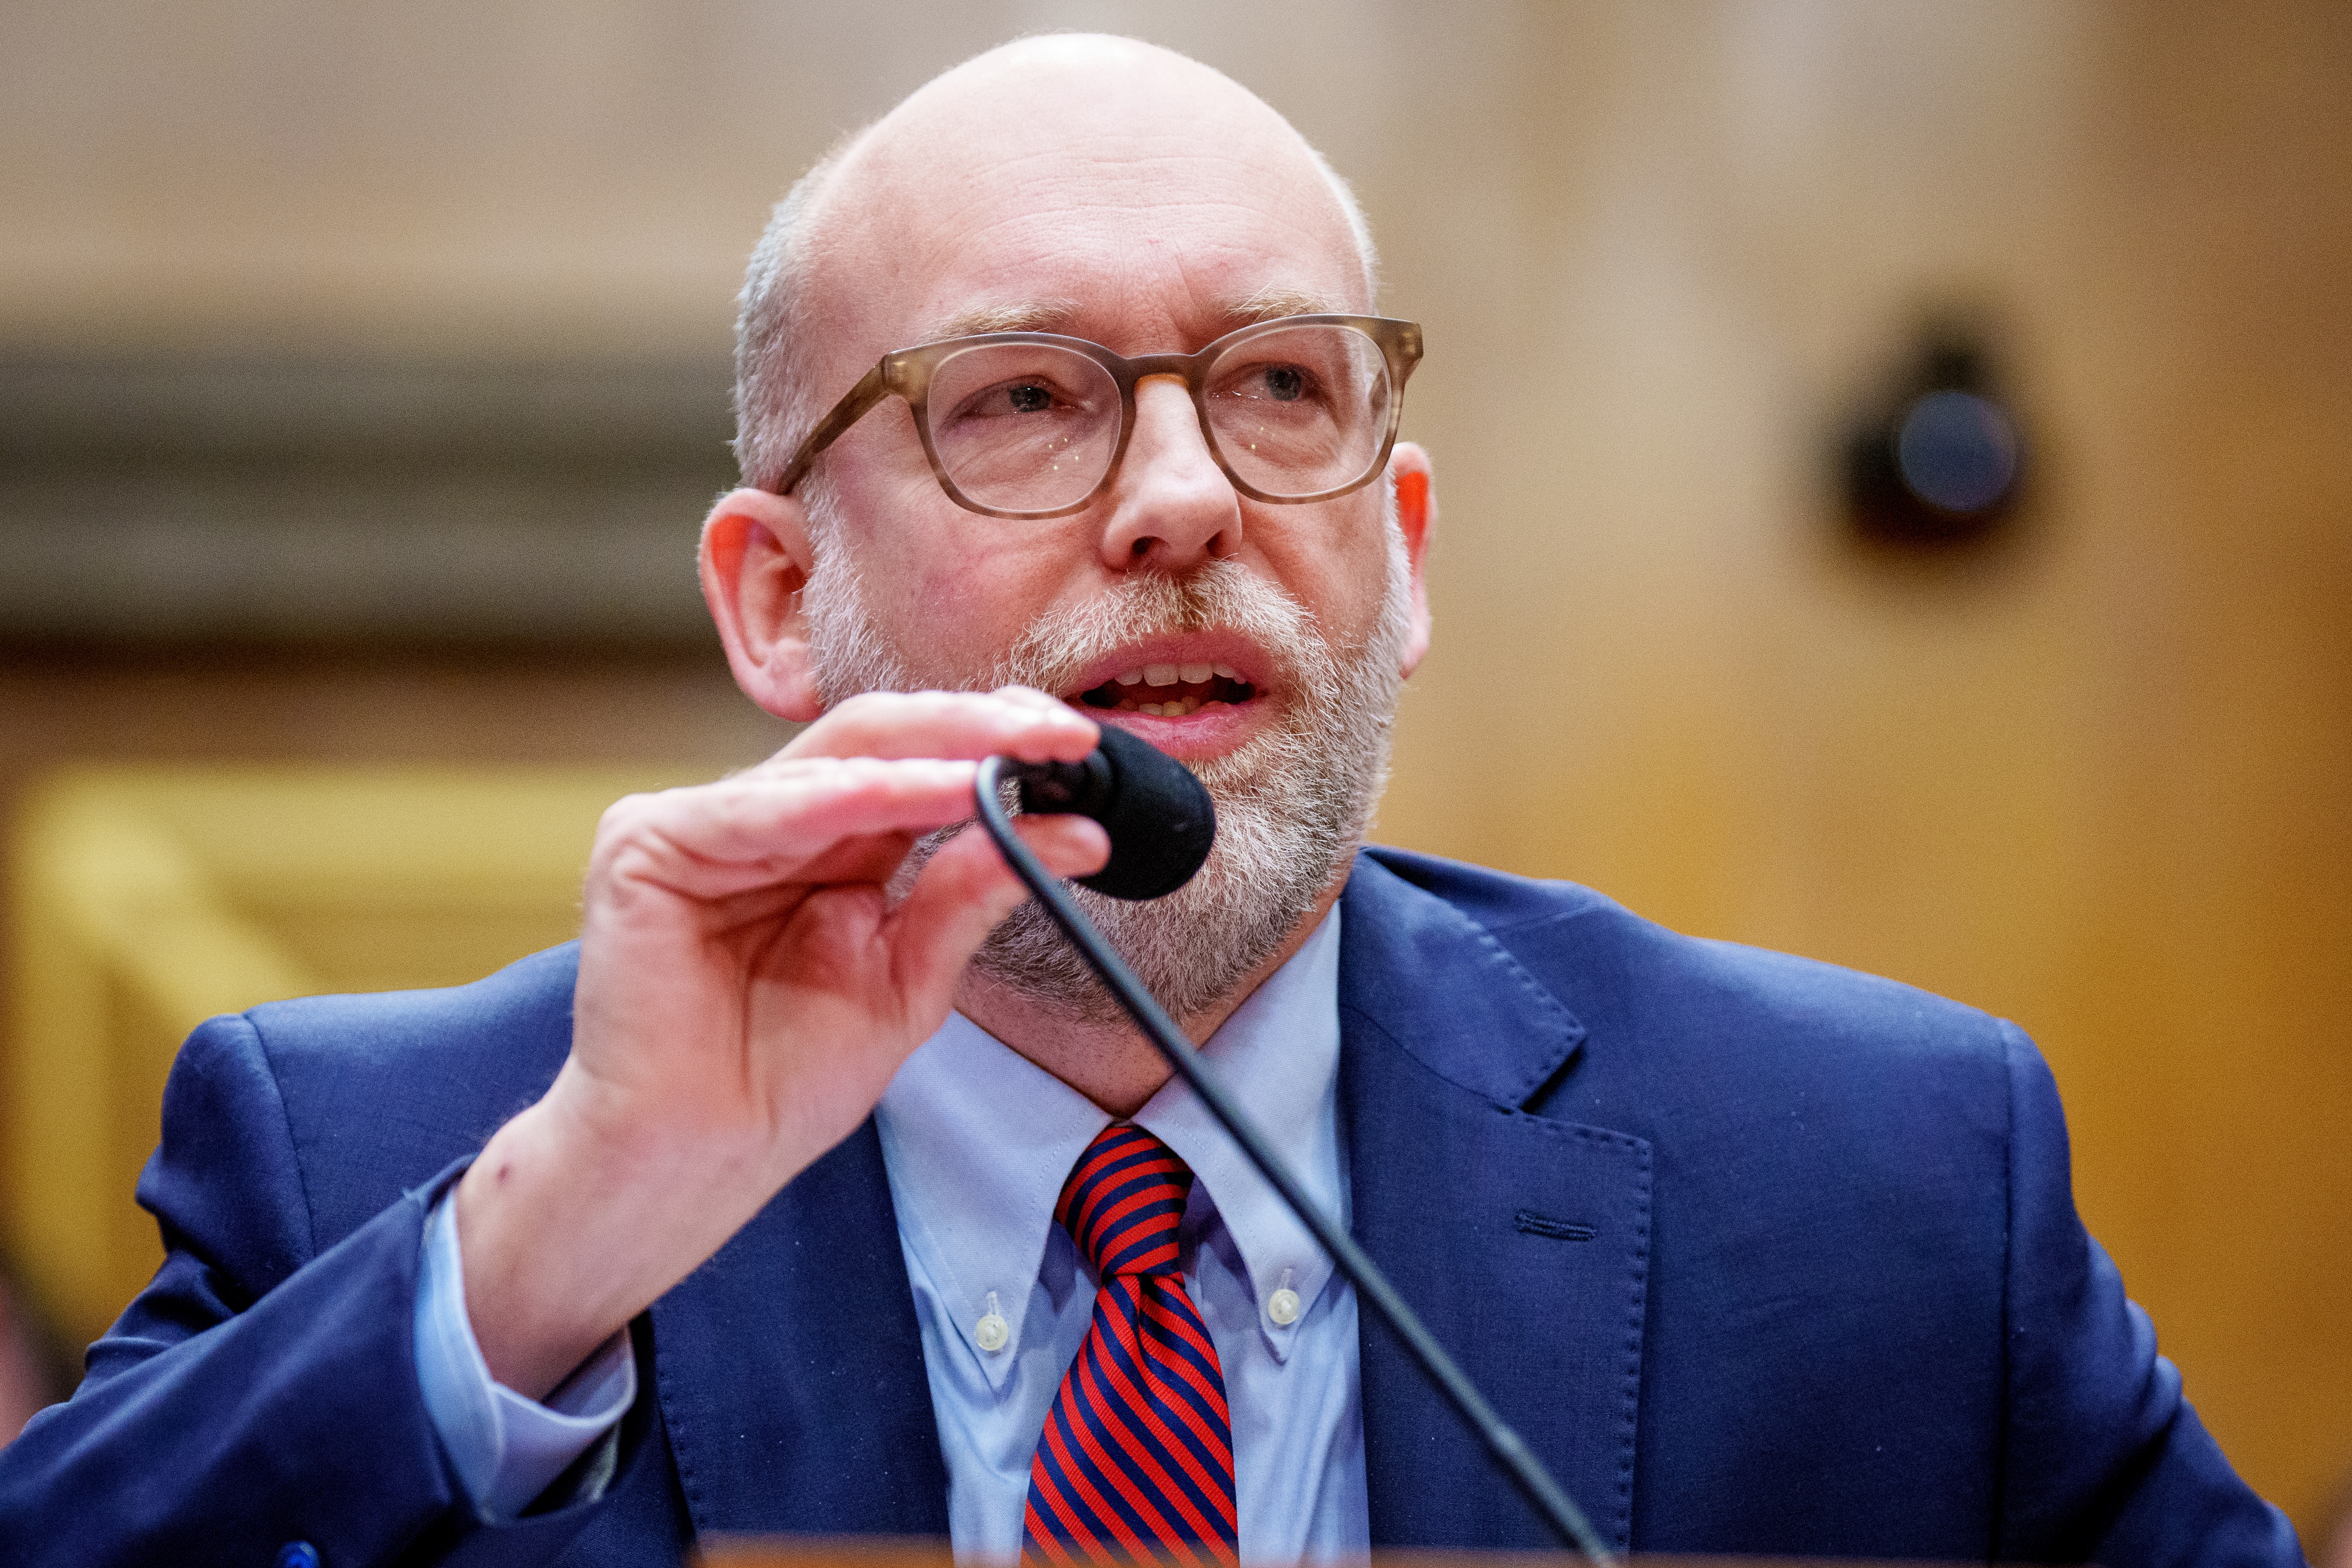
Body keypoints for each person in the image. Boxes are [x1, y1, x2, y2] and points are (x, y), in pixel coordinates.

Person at [0, 34, 2307, 1568]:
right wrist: (554, 1250)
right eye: (1024, 401)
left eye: (1276, 387)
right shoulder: (375, 1173)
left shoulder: (1879, 1184)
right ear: (776, 595)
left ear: (1397, 559)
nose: (1186, 496)